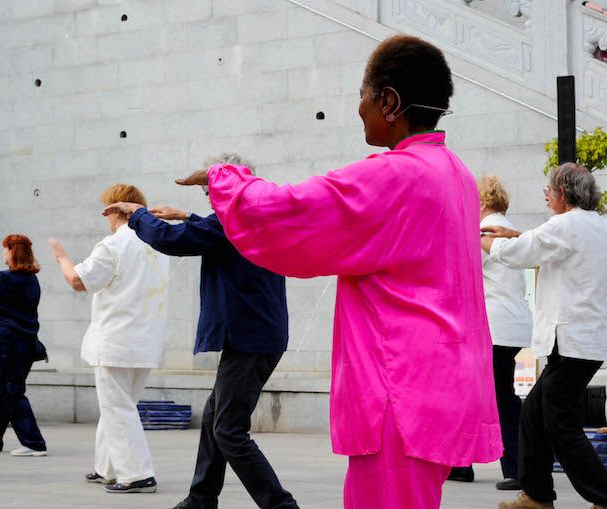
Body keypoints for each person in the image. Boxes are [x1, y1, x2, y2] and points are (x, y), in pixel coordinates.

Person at [175, 35, 502, 508]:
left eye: (363, 96)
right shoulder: (457, 173)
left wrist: (224, 177)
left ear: (388, 101)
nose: (359, 108)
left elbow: (286, 211)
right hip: (442, 382)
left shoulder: (395, 175)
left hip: (399, 390)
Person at [104, 153, 298, 509]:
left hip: (250, 339)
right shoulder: (253, 216)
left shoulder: (233, 220)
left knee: (228, 430)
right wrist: (187, 217)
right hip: (259, 336)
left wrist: (138, 214)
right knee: (214, 419)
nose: (210, 197)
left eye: (212, 189)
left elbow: (175, 241)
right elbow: (212, 234)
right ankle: (201, 498)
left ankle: (281, 506)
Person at [481, 163, 607, 509]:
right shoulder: (597, 225)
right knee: (534, 413)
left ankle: (602, 495)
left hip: (569, 341)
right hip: (582, 341)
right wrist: (514, 235)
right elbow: (544, 243)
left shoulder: (564, 225)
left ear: (561, 194)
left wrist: (487, 241)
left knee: (560, 424)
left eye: (548, 191)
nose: (547, 196)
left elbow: (521, 254)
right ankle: (536, 494)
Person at [49, 184, 169, 494]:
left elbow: (78, 281)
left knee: (117, 408)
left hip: (116, 339)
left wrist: (62, 257)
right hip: (146, 340)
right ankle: (108, 467)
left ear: (113, 210)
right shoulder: (157, 244)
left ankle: (137, 474)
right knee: (119, 405)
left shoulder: (113, 244)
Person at [448, 176, 533, 490]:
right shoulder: (507, 228)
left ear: (481, 203)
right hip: (510, 326)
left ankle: (519, 468)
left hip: (493, 328)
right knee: (483, 394)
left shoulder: (485, 233)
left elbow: (457, 270)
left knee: (498, 398)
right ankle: (462, 463)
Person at [0, 234, 47, 457]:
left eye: (5, 249)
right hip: (27, 344)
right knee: (3, 390)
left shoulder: (3, 280)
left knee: (11, 391)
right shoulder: (31, 280)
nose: (3, 253)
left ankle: (34, 442)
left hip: (9, 345)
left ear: (12, 251)